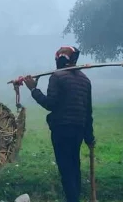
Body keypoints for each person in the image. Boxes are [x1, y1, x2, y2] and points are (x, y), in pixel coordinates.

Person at [22, 46, 95, 202]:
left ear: (60, 59)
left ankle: (73, 199)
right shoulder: (85, 80)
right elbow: (88, 112)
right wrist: (89, 137)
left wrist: (33, 89)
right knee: (74, 165)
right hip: (79, 131)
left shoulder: (57, 76)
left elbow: (51, 104)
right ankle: (75, 197)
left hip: (62, 130)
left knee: (66, 169)